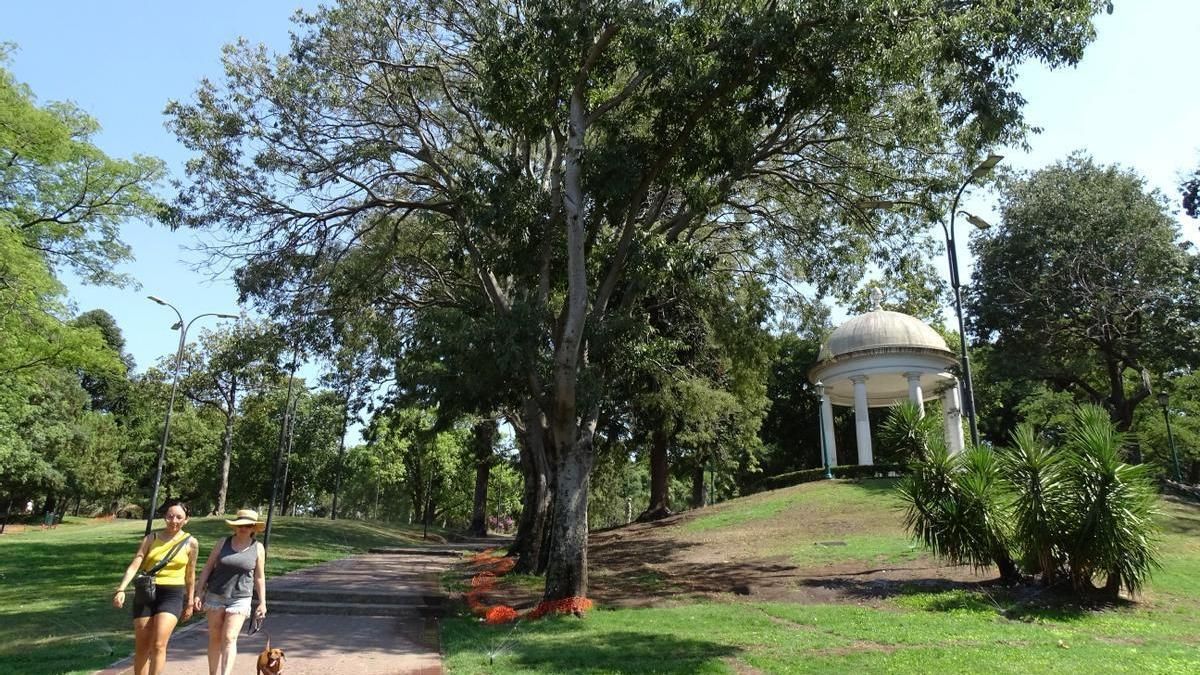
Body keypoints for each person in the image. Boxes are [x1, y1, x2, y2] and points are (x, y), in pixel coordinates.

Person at [112, 502, 198, 675]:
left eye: (179, 517)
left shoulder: (191, 542)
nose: (173, 520)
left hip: (172, 594)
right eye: (170, 516)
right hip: (146, 592)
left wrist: (189, 602)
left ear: (186, 520)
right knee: (142, 646)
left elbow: (190, 574)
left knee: (159, 644)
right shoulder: (152, 538)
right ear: (165, 517)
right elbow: (136, 563)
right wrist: (121, 589)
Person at [194, 508, 268, 675]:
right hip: (215, 595)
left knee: (229, 637)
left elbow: (259, 577)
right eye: (240, 525)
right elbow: (207, 568)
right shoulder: (223, 543)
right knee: (215, 637)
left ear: (253, 528)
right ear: (235, 526)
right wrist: (199, 592)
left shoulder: (258, 548)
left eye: (248, 526)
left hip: (240, 598)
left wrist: (262, 602)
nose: (244, 528)